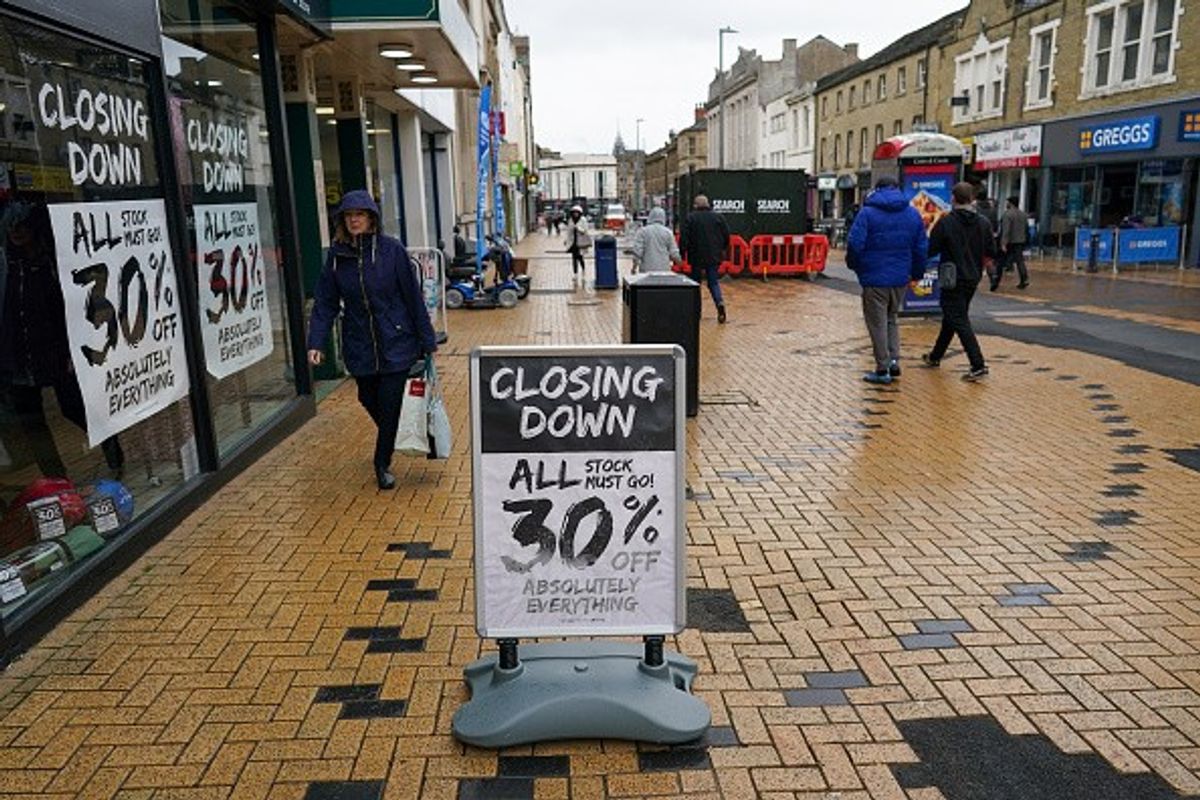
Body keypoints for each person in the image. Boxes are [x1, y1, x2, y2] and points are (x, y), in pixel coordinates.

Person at [307, 190, 438, 490]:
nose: (354, 220)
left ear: (371, 219)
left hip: (396, 340)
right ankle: (404, 433)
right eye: (349, 215)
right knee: (367, 397)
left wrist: (427, 340)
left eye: (360, 215)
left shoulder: (392, 251)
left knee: (389, 403)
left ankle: (382, 462)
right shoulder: (338, 257)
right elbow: (325, 302)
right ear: (342, 220)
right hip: (359, 342)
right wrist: (315, 342)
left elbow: (413, 298)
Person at [845, 176, 928, 385]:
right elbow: (921, 248)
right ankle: (893, 360)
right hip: (900, 277)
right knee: (892, 318)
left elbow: (855, 244)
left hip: (874, 277)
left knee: (877, 323)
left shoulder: (867, 213)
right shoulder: (912, 214)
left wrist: (856, 265)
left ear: (877, 189)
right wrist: (916, 273)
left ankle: (882, 369)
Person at [922, 182, 995, 381]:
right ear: (971, 199)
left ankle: (978, 364)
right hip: (973, 276)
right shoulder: (983, 223)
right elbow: (991, 251)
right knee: (952, 317)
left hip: (951, 277)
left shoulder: (946, 222)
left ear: (954, 198)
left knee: (959, 319)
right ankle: (935, 356)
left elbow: (932, 249)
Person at [680, 194, 730, 323]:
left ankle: (696, 312)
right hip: (713, 255)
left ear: (696, 205)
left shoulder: (691, 218)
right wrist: (722, 249)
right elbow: (726, 236)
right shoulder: (718, 217)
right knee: (713, 282)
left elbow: (684, 238)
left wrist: (682, 253)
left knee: (696, 284)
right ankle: (719, 302)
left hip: (696, 255)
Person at [630, 206, 680, 274]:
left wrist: (634, 267)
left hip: (646, 269)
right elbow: (674, 253)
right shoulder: (668, 232)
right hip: (664, 270)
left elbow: (637, 251)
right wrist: (680, 264)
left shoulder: (643, 231)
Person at [997, 196, 1030, 290]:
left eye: (1007, 202)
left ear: (1010, 203)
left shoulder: (1007, 215)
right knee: (1020, 261)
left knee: (1001, 261)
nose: (1006, 204)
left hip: (1010, 242)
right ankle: (1024, 279)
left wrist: (1003, 243)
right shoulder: (1023, 214)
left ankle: (996, 280)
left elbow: (1006, 230)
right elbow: (1026, 229)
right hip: (1020, 241)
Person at [974, 185, 1000, 286]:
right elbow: (995, 224)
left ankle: (976, 277)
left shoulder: (975, 208)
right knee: (988, 259)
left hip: (977, 236)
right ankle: (993, 276)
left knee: (975, 258)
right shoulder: (992, 210)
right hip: (990, 236)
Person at [563, 205, 591, 286]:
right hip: (573, 242)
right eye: (574, 213)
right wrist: (566, 240)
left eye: (577, 213)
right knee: (574, 258)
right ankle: (575, 274)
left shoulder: (583, 220)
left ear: (579, 213)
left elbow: (585, 230)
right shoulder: (570, 220)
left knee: (580, 257)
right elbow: (568, 231)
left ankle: (583, 271)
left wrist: (578, 228)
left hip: (580, 242)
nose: (575, 214)